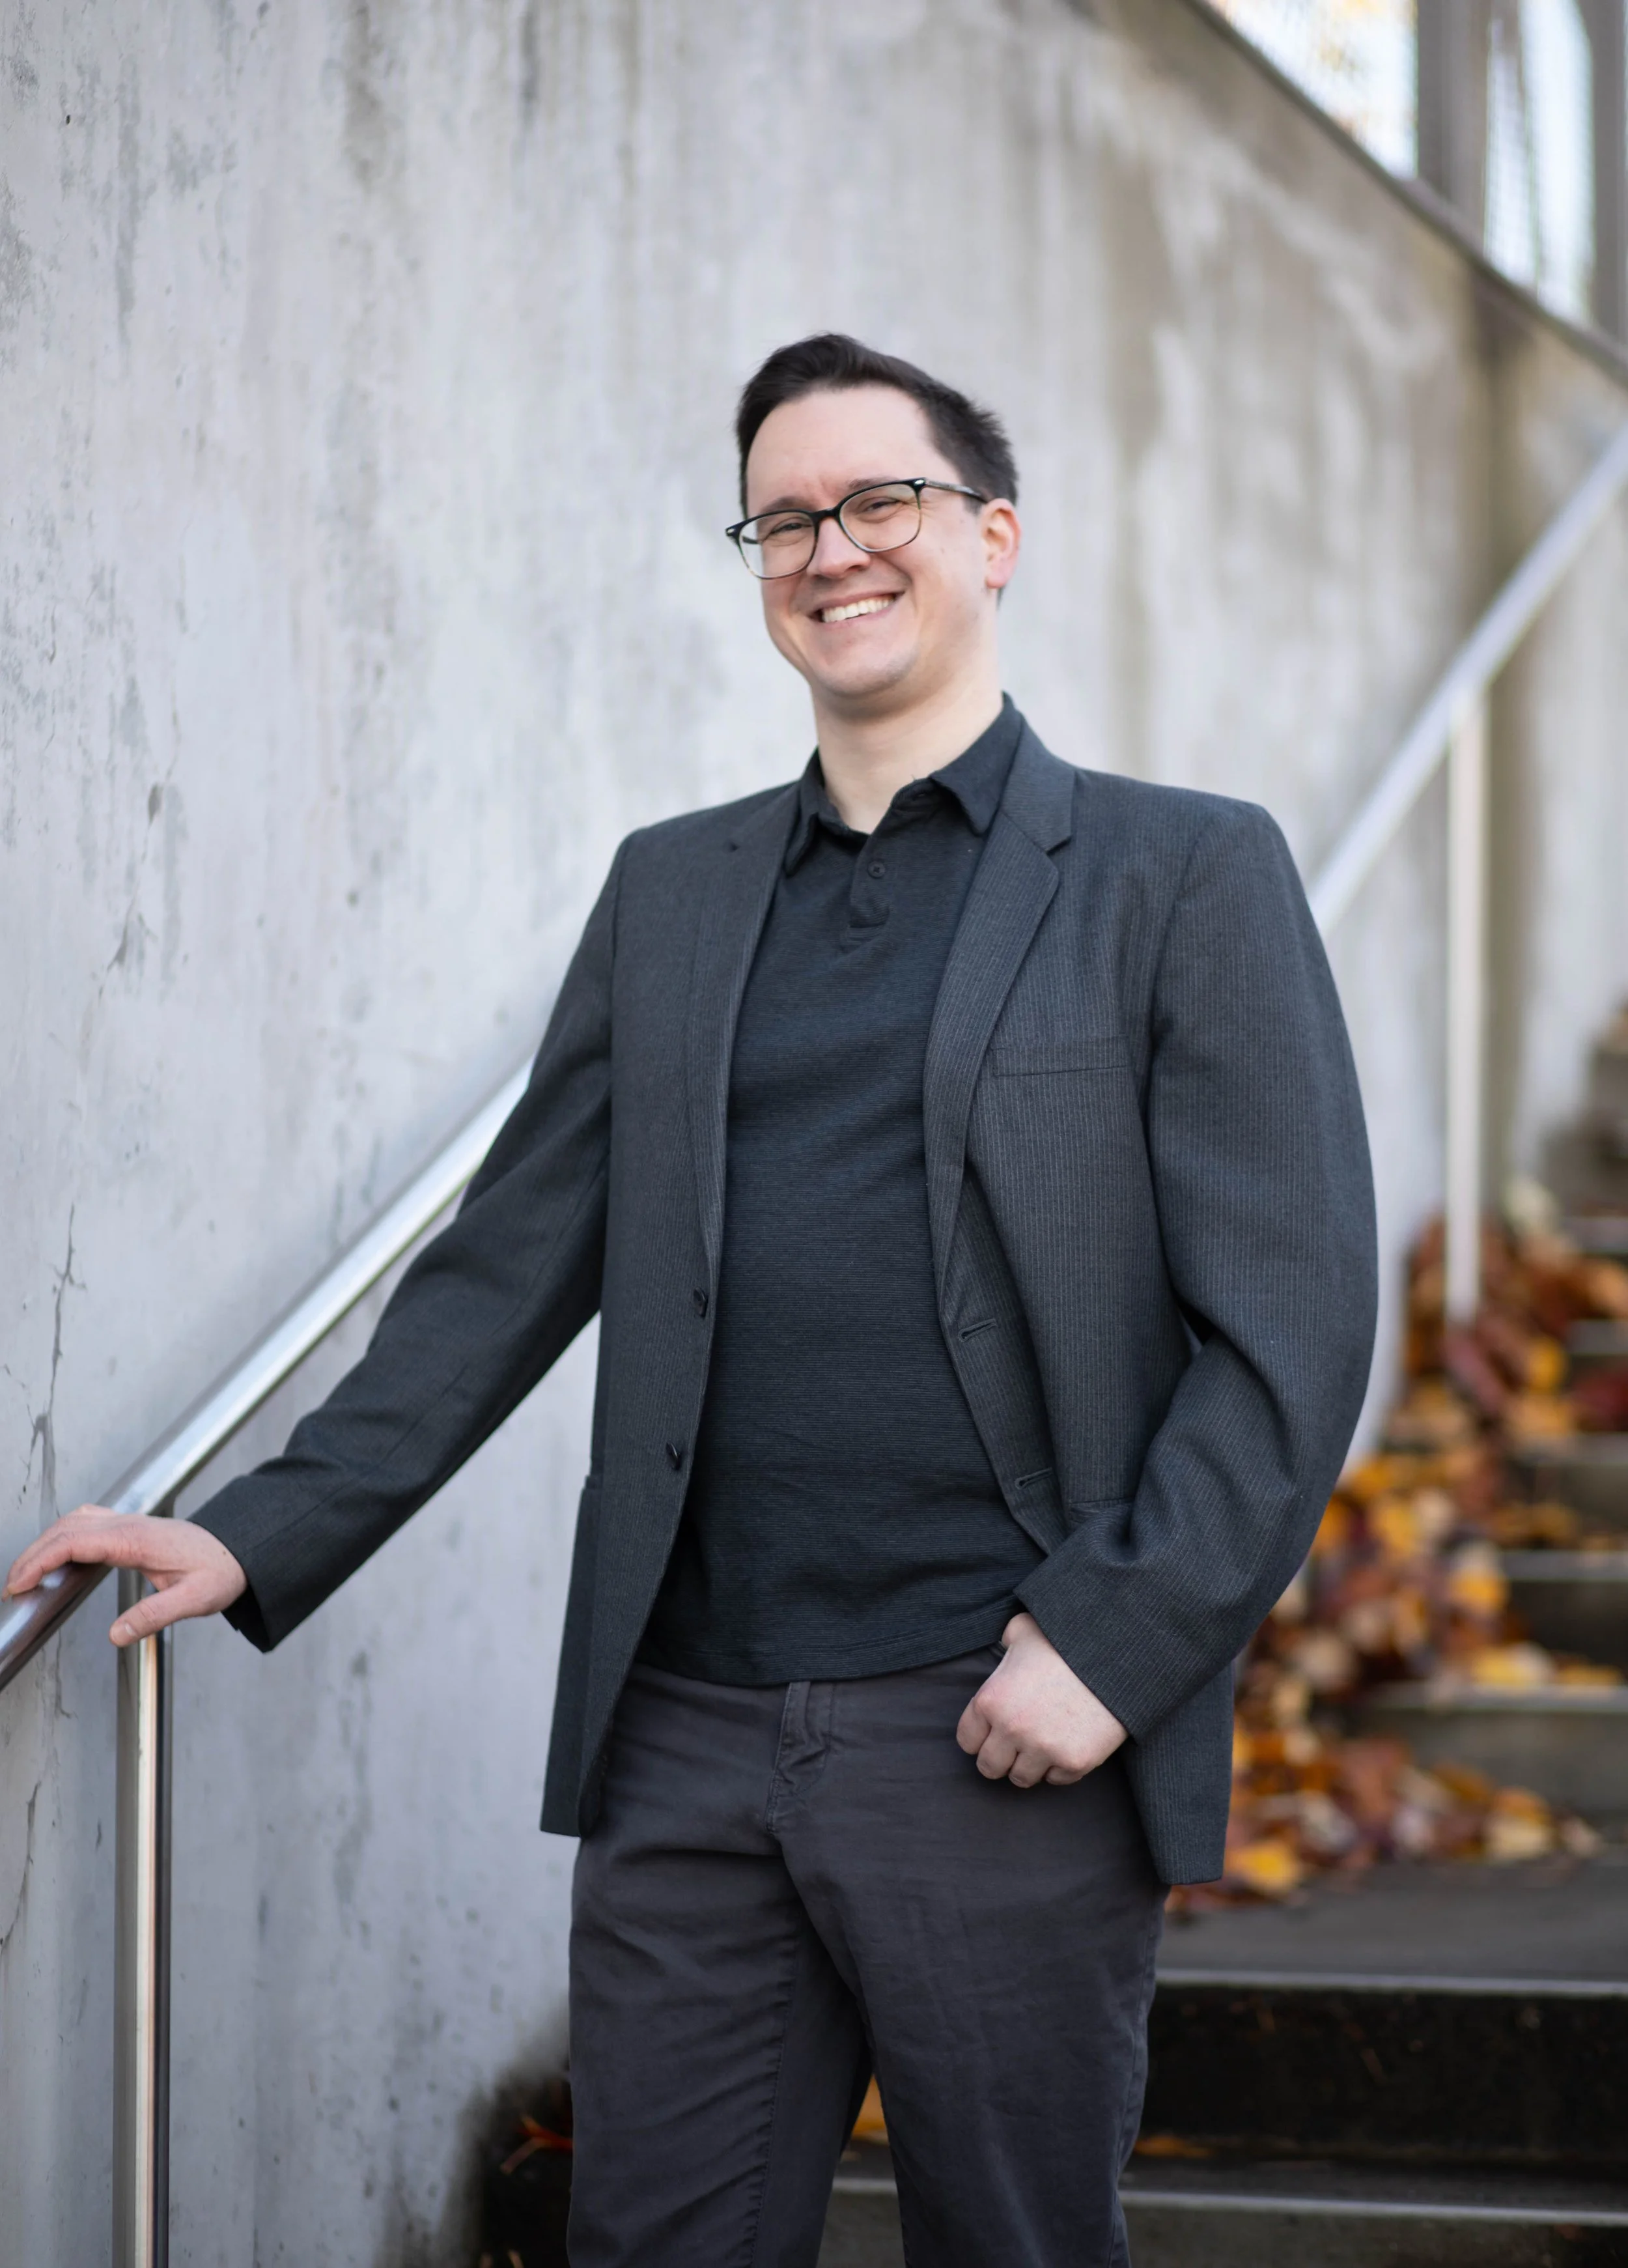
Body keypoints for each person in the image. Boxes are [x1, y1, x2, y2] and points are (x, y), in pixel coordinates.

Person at [7, 334, 1377, 2265]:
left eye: (879, 500)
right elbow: (508, 1262)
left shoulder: (1179, 873)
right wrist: (259, 1529)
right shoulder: (675, 890)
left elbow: (1290, 1324)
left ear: (993, 537)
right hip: (687, 1727)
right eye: (784, 517)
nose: (831, 547)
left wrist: (1111, 1642)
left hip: (995, 1718)